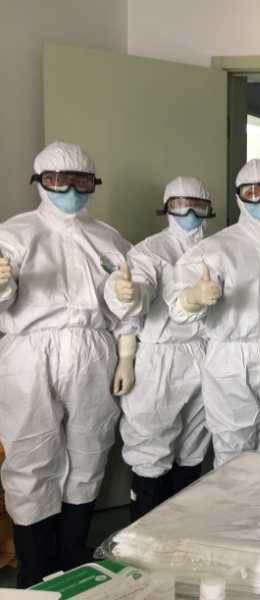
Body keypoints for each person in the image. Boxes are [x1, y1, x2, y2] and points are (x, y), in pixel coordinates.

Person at [0, 141, 134, 587]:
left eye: (81, 181)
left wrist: (126, 354)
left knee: (89, 448)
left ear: (93, 184)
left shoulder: (109, 238)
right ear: (39, 182)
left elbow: (126, 305)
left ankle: (72, 552)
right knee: (31, 455)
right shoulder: (14, 233)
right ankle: (35, 565)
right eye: (58, 181)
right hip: (29, 352)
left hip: (94, 349)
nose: (71, 190)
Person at [169, 160, 260, 468]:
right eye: (252, 192)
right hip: (232, 358)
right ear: (239, 197)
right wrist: (194, 298)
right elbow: (178, 308)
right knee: (233, 453)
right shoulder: (215, 248)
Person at [104, 176, 214, 521]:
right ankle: (145, 534)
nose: (189, 212)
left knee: (194, 445)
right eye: (180, 204)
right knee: (151, 446)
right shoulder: (151, 250)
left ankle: (181, 533)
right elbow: (139, 286)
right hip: (160, 358)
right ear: (167, 208)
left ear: (208, 209)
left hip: (205, 353)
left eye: (198, 205)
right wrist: (129, 294)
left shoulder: (216, 248)